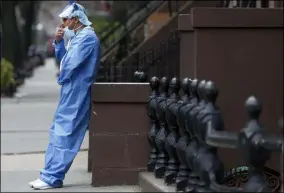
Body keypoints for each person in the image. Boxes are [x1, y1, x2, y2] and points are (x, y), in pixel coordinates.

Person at [29, 2, 100, 190]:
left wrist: (62, 78)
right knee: (58, 130)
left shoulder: (87, 38)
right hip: (72, 89)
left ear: (76, 19)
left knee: (66, 132)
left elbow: (70, 64)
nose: (63, 22)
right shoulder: (78, 37)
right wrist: (59, 43)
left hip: (78, 90)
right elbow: (64, 60)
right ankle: (48, 174)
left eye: (65, 19)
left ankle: (52, 177)